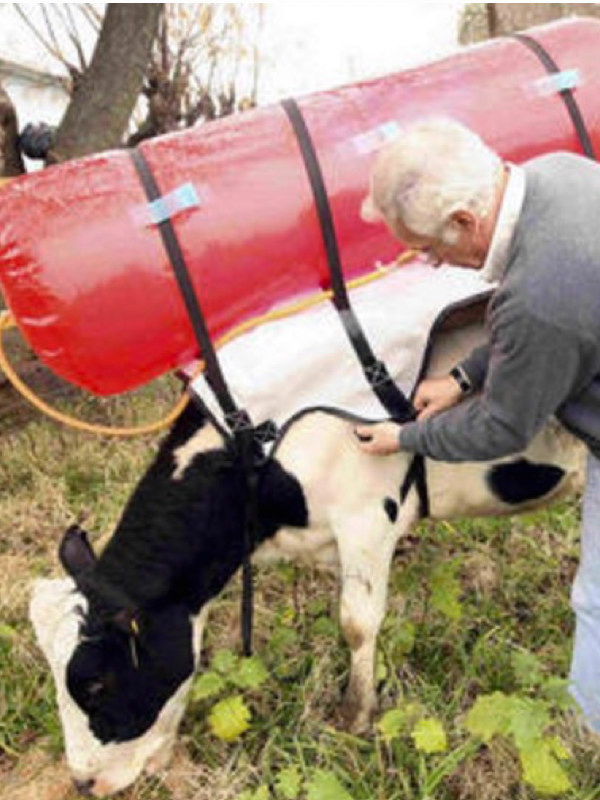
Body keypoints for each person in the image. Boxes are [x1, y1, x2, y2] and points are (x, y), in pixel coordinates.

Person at [354, 117, 600, 734]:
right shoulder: (556, 174)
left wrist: (406, 438)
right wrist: (464, 376)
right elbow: (547, 314)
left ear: (465, 220)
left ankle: (586, 738)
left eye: (429, 249)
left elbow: (501, 428)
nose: (434, 264)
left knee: (597, 601)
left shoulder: (539, 296)